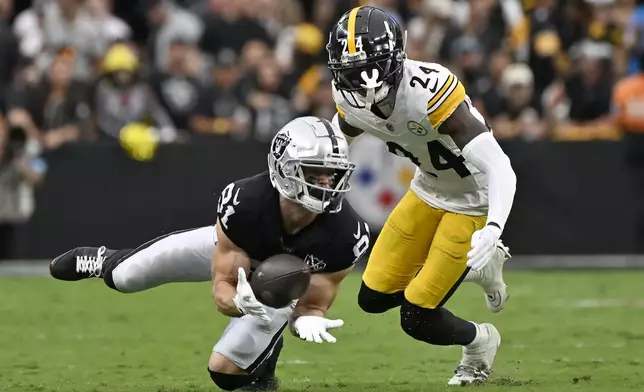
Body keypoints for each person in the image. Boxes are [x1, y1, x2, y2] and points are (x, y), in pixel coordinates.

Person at [49, 116, 370, 391]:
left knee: (225, 372)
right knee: (127, 277)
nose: (326, 183)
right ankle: (105, 261)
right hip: (237, 253)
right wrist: (236, 302)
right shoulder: (246, 202)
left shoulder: (346, 233)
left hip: (279, 290)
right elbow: (224, 285)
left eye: (333, 173)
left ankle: (266, 361)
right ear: (283, 168)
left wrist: (307, 320)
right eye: (315, 173)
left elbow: (313, 302)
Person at [326, 6, 516, 386]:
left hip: (474, 198)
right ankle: (476, 267)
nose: (365, 83)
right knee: (373, 298)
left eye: (374, 68)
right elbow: (341, 133)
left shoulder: (428, 92)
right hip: (426, 189)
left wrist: (493, 227)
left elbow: (501, 168)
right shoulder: (348, 99)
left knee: (416, 317)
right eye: (352, 72)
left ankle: (480, 343)